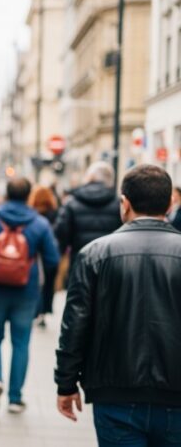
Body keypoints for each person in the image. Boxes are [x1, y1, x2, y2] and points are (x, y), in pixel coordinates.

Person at [55, 165, 181, 446]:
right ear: (170, 204)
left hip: (115, 396)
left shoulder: (94, 254)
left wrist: (66, 383)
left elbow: (75, 324)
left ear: (124, 204)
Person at [0, 177, 60, 414]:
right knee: (21, 342)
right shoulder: (39, 223)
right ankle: (15, 398)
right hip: (25, 292)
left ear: (6, 193)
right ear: (28, 196)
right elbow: (53, 260)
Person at [54, 162, 122, 269]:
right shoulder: (119, 204)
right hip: (110, 266)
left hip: (79, 264)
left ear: (88, 178)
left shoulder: (71, 203)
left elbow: (61, 235)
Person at [28, 186, 60, 327]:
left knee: (36, 283)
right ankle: (44, 311)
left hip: (35, 255)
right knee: (47, 284)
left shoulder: (32, 214)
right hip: (50, 254)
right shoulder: (55, 212)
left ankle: (36, 310)